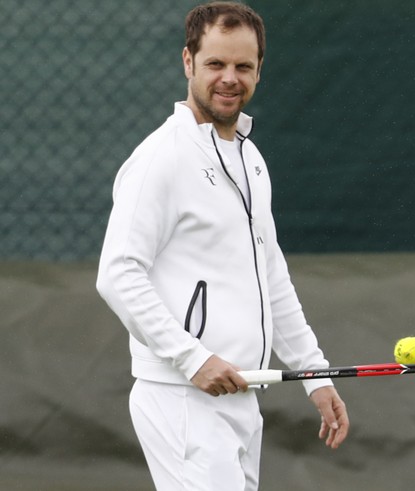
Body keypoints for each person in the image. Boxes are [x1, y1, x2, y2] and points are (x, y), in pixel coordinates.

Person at [95, 2, 349, 489]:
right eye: (215, 64)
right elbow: (118, 273)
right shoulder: (161, 159)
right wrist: (193, 360)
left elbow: (270, 276)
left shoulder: (250, 159)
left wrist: (315, 376)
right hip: (182, 401)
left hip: (242, 398)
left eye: (243, 66)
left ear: (258, 71)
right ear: (188, 62)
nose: (229, 78)